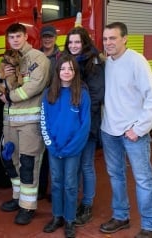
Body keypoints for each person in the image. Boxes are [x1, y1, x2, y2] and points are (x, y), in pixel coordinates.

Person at [99, 22, 152, 238]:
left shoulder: (136, 61)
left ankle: (149, 226)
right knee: (116, 176)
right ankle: (121, 217)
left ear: (125, 39)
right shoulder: (106, 62)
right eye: (105, 38)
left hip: (133, 134)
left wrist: (139, 128)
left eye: (113, 38)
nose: (108, 43)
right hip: (109, 131)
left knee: (143, 179)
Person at [0, 23, 50, 225]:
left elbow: (34, 86)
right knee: (10, 160)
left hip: (29, 122)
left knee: (28, 164)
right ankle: (17, 197)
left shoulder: (37, 58)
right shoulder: (7, 59)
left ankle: (28, 206)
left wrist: (9, 96)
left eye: (18, 36)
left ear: (26, 37)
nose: (15, 40)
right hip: (9, 122)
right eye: (11, 37)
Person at [40, 54, 91, 238]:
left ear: (75, 72)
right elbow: (44, 122)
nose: (66, 72)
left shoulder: (82, 94)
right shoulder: (49, 94)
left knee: (70, 184)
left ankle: (69, 219)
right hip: (54, 148)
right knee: (56, 183)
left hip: (72, 150)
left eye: (70, 68)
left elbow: (84, 126)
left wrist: (70, 148)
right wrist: (52, 146)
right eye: (63, 68)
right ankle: (57, 217)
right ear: (57, 72)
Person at [63, 26, 105, 226]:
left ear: (85, 42)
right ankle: (75, 202)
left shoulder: (93, 63)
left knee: (86, 165)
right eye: (70, 42)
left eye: (77, 42)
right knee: (74, 166)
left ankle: (87, 204)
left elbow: (96, 97)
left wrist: (83, 123)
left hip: (87, 124)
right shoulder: (67, 62)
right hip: (70, 124)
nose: (73, 46)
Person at [38, 24, 61, 201]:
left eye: (50, 37)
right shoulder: (35, 56)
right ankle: (39, 189)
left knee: (54, 150)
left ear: (55, 38)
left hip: (54, 107)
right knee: (40, 152)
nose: (47, 40)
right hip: (37, 106)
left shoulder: (61, 58)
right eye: (45, 37)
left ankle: (54, 191)